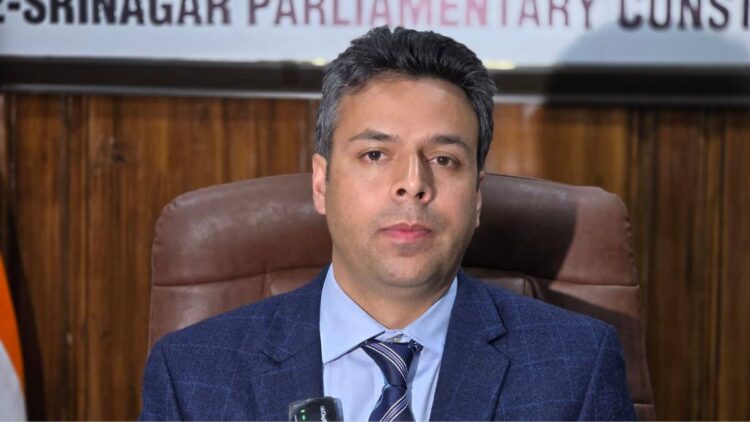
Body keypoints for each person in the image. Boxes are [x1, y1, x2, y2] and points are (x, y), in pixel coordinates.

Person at [140, 26, 636, 421]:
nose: (412, 184)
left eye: (443, 159)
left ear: (477, 198)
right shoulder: (193, 375)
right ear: (321, 183)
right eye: (375, 154)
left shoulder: (575, 367)